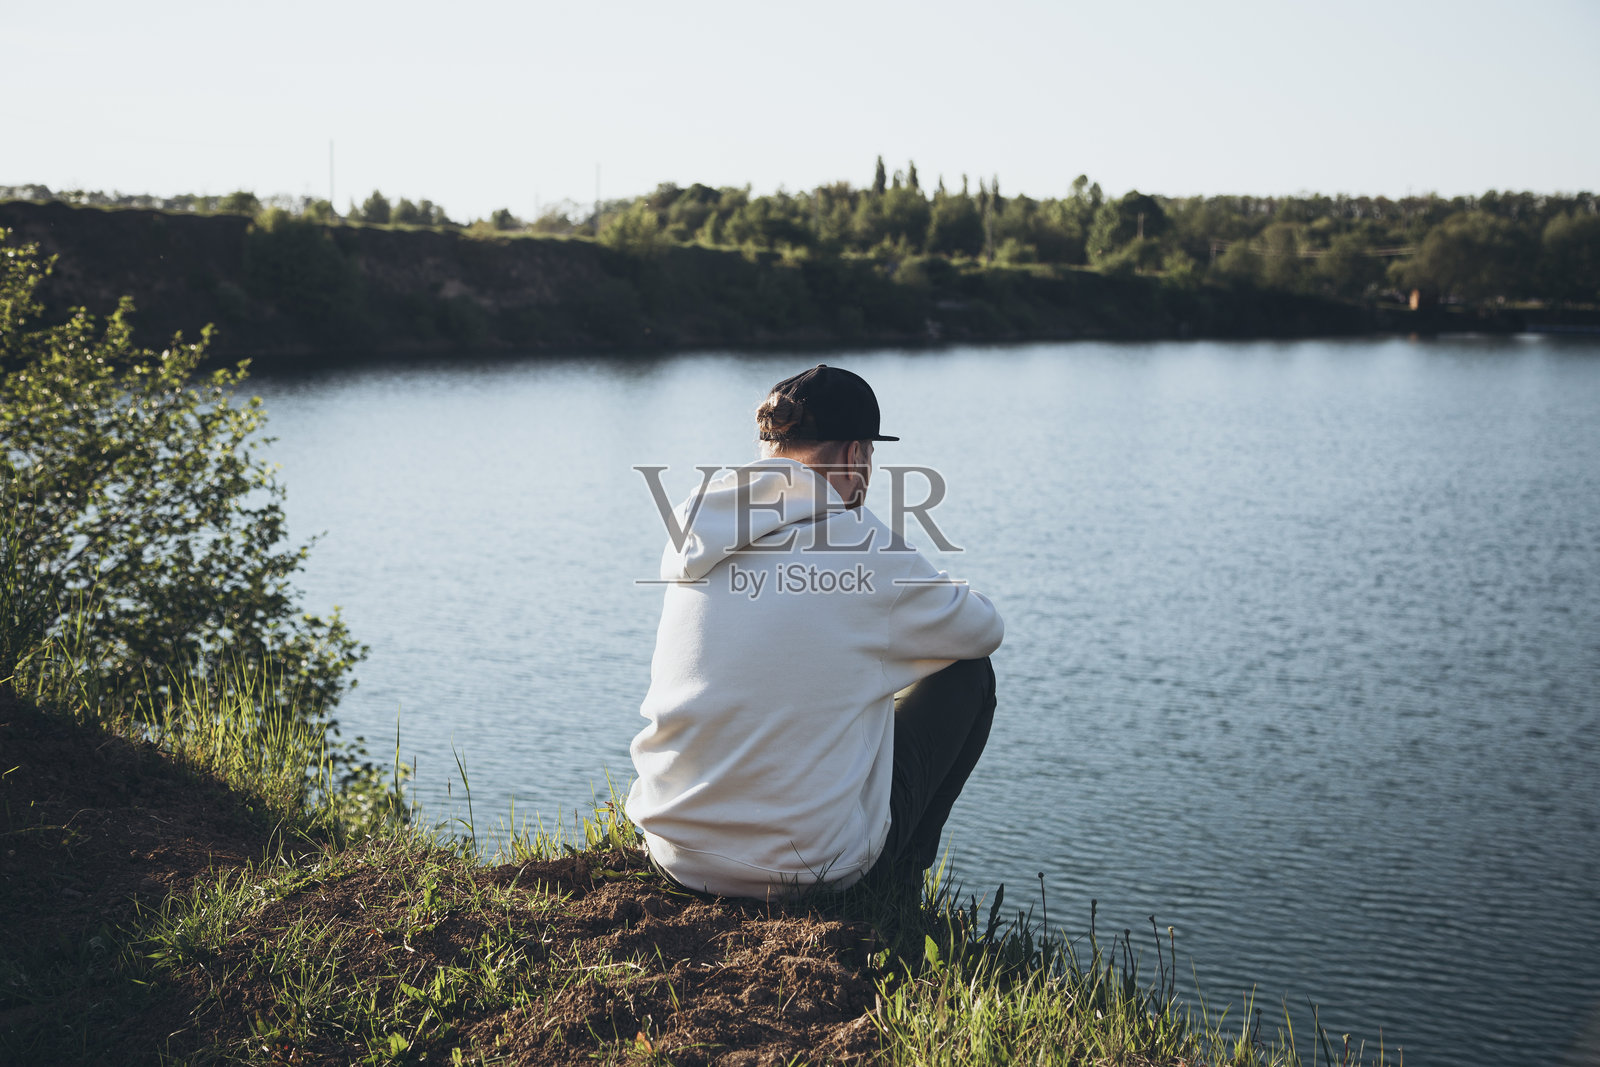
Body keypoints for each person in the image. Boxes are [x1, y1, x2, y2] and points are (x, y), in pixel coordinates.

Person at [626, 364, 1002, 900]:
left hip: (675, 853)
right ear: (855, 455)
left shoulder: (700, 528)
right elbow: (982, 629)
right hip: (809, 870)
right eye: (870, 454)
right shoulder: (862, 545)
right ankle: (896, 891)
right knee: (967, 674)